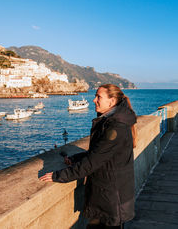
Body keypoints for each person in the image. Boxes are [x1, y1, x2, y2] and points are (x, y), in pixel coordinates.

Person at [40, 84, 137, 229]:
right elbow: (100, 153)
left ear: (112, 102)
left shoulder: (115, 127)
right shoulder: (111, 122)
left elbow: (93, 161)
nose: (94, 100)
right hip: (109, 197)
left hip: (112, 200)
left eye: (99, 97)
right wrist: (74, 159)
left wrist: (58, 175)